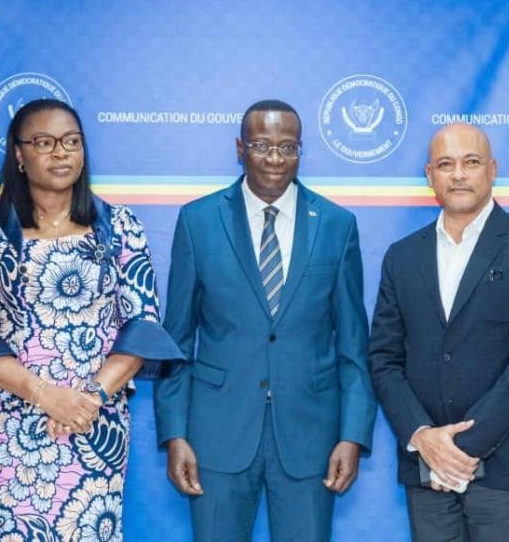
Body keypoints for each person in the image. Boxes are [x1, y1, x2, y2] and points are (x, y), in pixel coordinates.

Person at [0, 98, 182, 541]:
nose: (61, 153)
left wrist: (88, 398)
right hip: (8, 426)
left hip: (93, 421)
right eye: (44, 143)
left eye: (71, 142)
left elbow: (142, 326)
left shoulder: (120, 227)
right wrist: (45, 395)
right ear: (19, 154)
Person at [153, 99, 376, 541]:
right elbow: (176, 341)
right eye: (261, 145)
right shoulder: (198, 221)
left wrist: (352, 435)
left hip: (310, 438)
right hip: (216, 434)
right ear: (240, 149)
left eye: (288, 147)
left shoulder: (336, 224)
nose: (275, 158)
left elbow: (353, 345)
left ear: (300, 151)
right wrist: (174, 433)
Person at [368, 123, 509, 541]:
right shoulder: (402, 256)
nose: (458, 174)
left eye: (470, 162)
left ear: (492, 169)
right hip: (426, 468)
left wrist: (458, 450)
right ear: (429, 175)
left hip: (505, 468)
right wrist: (424, 438)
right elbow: (384, 358)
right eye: (445, 164)